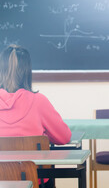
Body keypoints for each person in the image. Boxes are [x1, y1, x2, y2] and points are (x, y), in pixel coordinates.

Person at [0, 44, 72, 188]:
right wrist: (44, 136)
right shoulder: (39, 101)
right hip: (34, 180)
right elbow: (64, 137)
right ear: (28, 72)